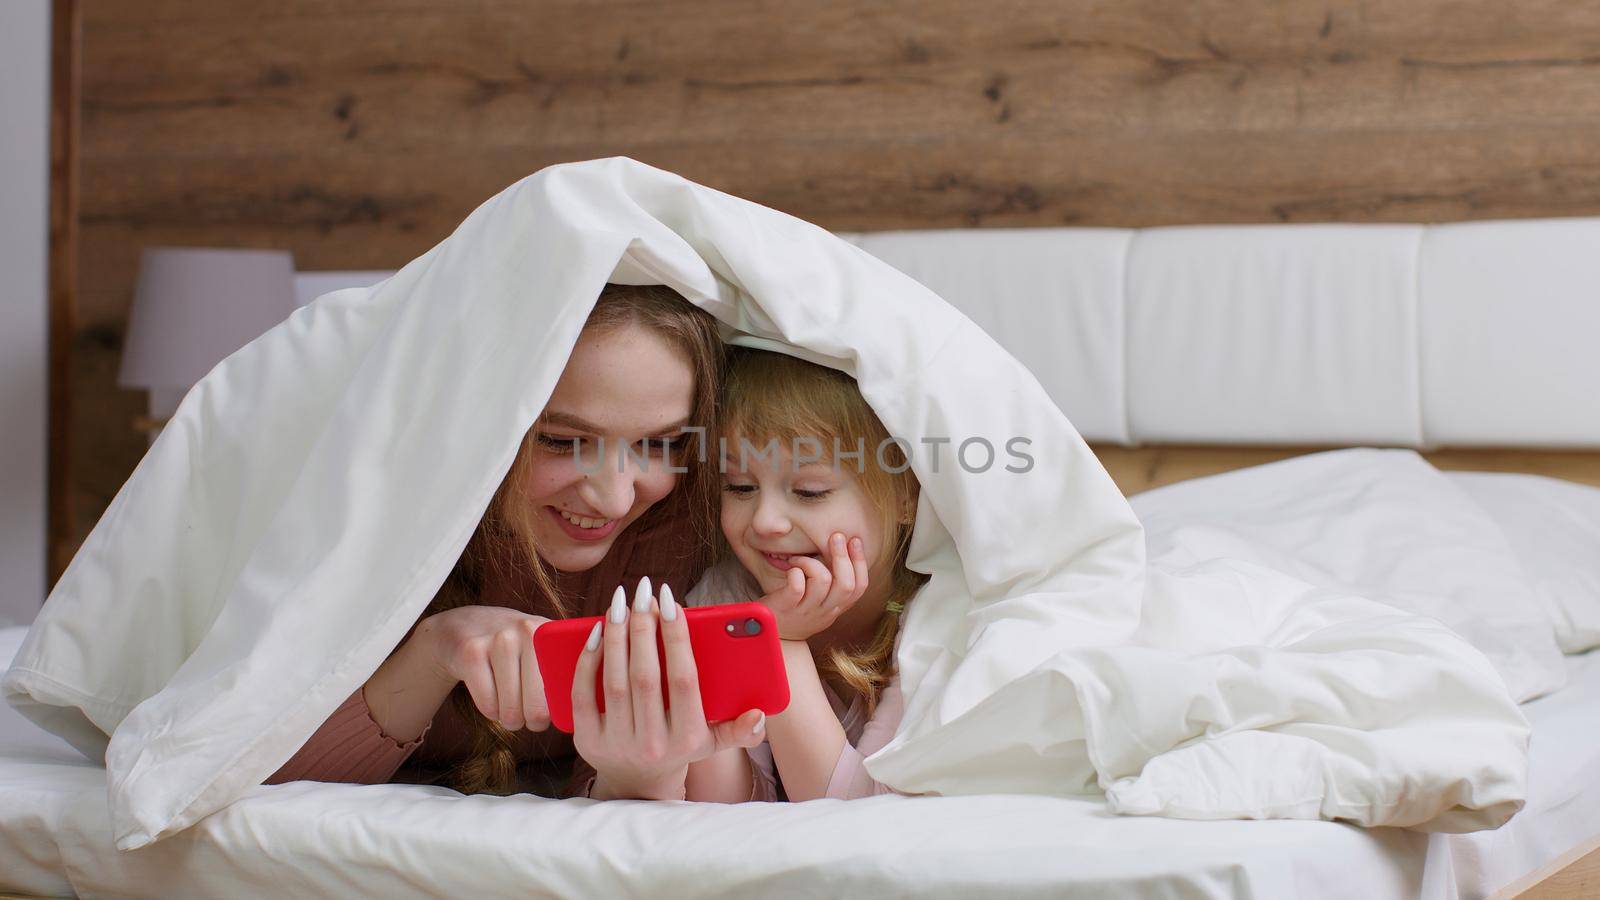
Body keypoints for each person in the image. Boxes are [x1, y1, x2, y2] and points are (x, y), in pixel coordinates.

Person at [267, 283, 725, 796]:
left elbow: (625, 817)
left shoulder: (680, 527)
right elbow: (248, 781)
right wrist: (433, 654)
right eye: (563, 441)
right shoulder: (367, 518)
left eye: (659, 443)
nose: (614, 499)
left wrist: (635, 770)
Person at [569, 346, 928, 802]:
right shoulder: (725, 597)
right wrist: (727, 660)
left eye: (809, 491)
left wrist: (779, 643)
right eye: (739, 487)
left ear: (905, 497)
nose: (764, 522)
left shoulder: (928, 619)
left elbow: (849, 815)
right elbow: (723, 815)